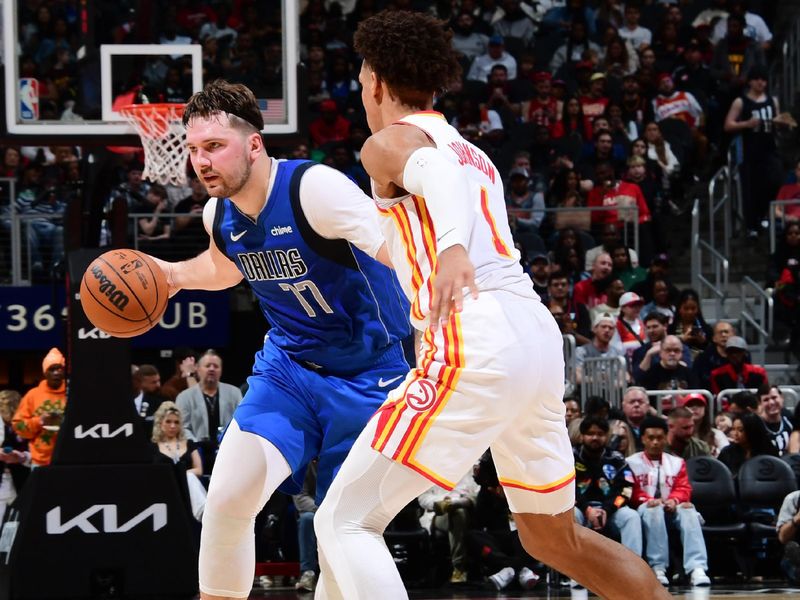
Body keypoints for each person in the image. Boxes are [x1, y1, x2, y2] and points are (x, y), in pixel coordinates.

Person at [315, 11, 670, 600]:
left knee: (345, 521)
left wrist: (452, 248)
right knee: (552, 539)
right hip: (531, 337)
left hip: (471, 337)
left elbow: (433, 177)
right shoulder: (472, 151)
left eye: (360, 75)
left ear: (376, 79)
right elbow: (424, 210)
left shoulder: (391, 143)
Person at [151, 80, 412, 600]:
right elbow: (225, 268)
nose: (201, 161)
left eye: (214, 147)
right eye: (194, 148)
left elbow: (397, 249)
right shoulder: (217, 214)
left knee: (341, 536)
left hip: (371, 375)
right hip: (288, 370)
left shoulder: (313, 188)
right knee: (227, 498)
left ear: (253, 144)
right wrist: (170, 275)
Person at [627, 416, 711, 587]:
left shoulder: (677, 462)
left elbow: (684, 488)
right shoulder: (631, 463)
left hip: (672, 508)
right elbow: (631, 491)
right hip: (645, 509)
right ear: (643, 438)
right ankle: (658, 568)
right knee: (654, 510)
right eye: (651, 438)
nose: (656, 442)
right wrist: (649, 500)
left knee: (688, 510)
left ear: (666, 438)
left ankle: (697, 568)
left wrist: (674, 500)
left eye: (660, 438)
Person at [723, 64, 782, 237]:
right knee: (751, 187)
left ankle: (767, 216)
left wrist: (781, 123)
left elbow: (777, 121)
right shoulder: (741, 101)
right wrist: (746, 124)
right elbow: (728, 124)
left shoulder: (773, 100)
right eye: (757, 79)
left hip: (770, 147)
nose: (761, 83)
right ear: (750, 82)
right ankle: (752, 223)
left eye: (763, 80)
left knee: (774, 181)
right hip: (750, 149)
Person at [573, 416, 642, 557]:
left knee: (631, 516)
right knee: (570, 515)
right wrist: (587, 509)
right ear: (582, 436)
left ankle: (632, 571)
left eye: (600, 434)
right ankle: (573, 573)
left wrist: (607, 510)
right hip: (580, 508)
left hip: (611, 511)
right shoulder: (570, 457)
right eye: (590, 434)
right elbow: (566, 489)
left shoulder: (616, 459)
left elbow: (626, 490)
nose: (595, 438)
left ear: (607, 436)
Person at [175, 349, 243, 471]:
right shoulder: (184, 396)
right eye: (207, 366)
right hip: (196, 451)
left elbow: (240, 422)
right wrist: (195, 446)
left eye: (216, 366)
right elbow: (183, 427)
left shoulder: (234, 392)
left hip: (228, 450)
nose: (212, 369)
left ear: (221, 370)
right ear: (198, 369)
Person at [417, 471, 479, 584]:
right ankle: (459, 567)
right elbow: (423, 499)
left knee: (460, 511)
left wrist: (463, 500)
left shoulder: (470, 467)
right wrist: (443, 501)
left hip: (471, 511)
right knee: (458, 514)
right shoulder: (432, 468)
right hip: (440, 514)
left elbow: (478, 491)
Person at [12, 348, 67, 468]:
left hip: (69, 458)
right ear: (45, 372)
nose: (56, 372)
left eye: (60, 368)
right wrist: (39, 421)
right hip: (40, 461)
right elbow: (18, 425)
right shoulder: (33, 395)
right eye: (52, 369)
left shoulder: (72, 393)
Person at [152, 401, 205, 522]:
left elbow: (199, 469)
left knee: (190, 477)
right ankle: (203, 512)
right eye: (168, 421)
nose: (172, 426)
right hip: (164, 485)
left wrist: (181, 474)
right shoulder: (153, 448)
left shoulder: (189, 444)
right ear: (160, 423)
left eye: (176, 422)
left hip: (187, 485)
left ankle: (203, 512)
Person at [717, 412, 778, 477]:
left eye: (740, 430)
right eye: (733, 429)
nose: (735, 434)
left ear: (752, 430)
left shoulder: (769, 452)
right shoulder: (727, 453)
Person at [0, 390, 29, 523]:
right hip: (3, 482)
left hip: (20, 480)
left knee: (17, 525)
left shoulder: (25, 423)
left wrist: (23, 457)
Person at [292, 461, 319, 593]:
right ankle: (308, 572)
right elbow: (300, 498)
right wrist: (324, 510)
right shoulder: (303, 463)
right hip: (316, 510)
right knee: (307, 519)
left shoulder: (341, 459)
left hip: (338, 509)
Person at [691, 321, 736, 392]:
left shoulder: (742, 356)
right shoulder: (703, 358)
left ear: (734, 335)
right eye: (720, 332)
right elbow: (696, 383)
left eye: (726, 332)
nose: (723, 335)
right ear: (714, 338)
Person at [681, 393, 729, 457]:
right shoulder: (678, 435)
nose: (694, 408)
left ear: (705, 410)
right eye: (690, 405)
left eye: (699, 405)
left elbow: (727, 455)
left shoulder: (717, 434)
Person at [757, 384, 794, 456]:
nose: (771, 402)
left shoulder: (789, 418)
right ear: (760, 403)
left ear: (782, 398)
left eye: (774, 397)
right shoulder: (756, 425)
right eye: (766, 400)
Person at [132, 364, 165, 436]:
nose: (158, 385)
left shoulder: (158, 403)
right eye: (153, 382)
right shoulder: (118, 403)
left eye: (158, 381)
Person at [776, 489, 800, 583]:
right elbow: (783, 538)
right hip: (797, 554)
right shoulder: (793, 498)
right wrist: (797, 519)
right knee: (791, 547)